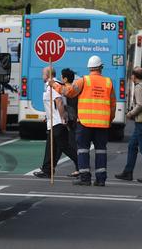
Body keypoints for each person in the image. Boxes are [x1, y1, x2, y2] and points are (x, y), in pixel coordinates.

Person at [50, 55, 116, 186]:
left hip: (85, 123)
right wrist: (109, 120)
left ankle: (85, 177)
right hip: (102, 124)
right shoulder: (108, 82)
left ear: (89, 68)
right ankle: (101, 179)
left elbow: (68, 92)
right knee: (101, 150)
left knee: (83, 150)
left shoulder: (83, 81)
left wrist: (54, 85)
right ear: (101, 68)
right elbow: (113, 105)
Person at [115, 67, 142, 183]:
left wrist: (130, 114)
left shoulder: (139, 87)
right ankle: (128, 172)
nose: (131, 78)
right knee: (132, 146)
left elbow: (140, 104)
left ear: (134, 76)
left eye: (131, 76)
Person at [33, 67, 78, 178]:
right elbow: (52, 105)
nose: (41, 76)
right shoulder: (50, 85)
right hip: (52, 121)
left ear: (48, 75)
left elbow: (59, 102)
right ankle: (47, 170)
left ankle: (81, 164)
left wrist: (63, 117)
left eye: (43, 74)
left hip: (57, 122)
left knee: (64, 146)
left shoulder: (53, 86)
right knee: (50, 147)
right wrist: (47, 116)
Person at [61, 68, 80, 178]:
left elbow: (69, 107)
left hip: (72, 121)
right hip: (75, 119)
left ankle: (79, 168)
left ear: (65, 78)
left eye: (62, 77)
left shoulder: (67, 90)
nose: (60, 79)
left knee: (73, 145)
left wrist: (67, 120)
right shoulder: (75, 88)